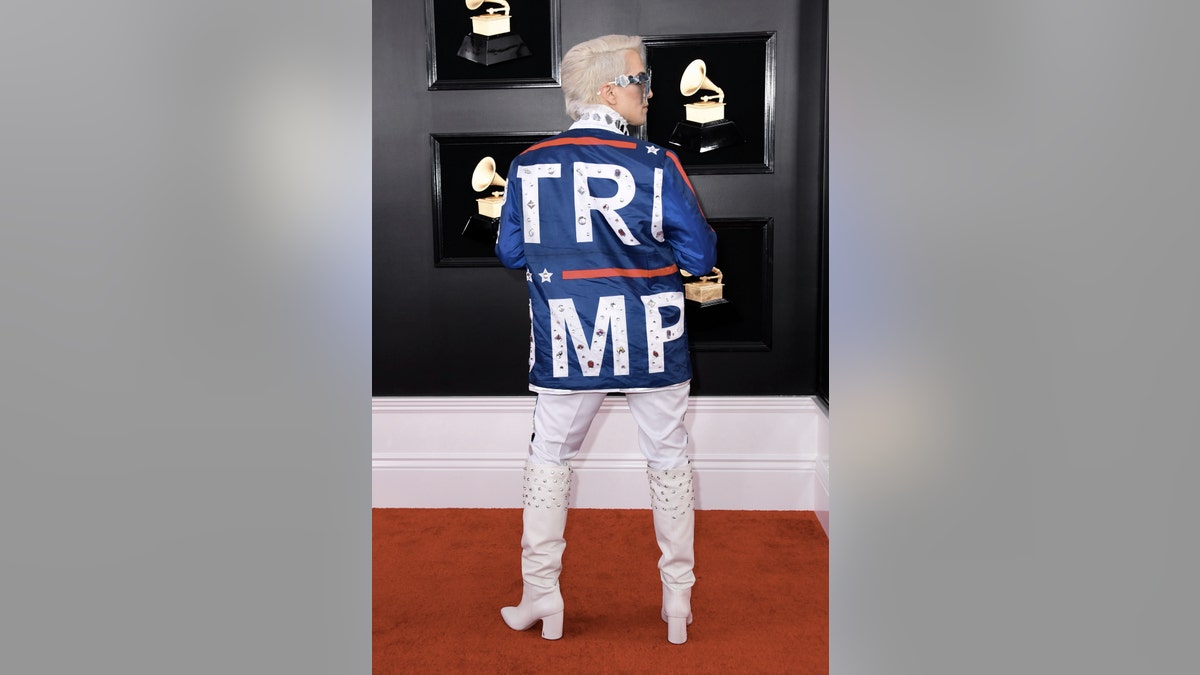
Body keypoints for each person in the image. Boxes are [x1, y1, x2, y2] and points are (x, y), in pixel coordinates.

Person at [494, 34, 718, 645]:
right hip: (653, 336)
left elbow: (511, 249)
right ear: (608, 90)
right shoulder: (657, 164)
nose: (649, 90)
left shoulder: (529, 164)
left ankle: (541, 596)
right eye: (641, 79)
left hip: (568, 339)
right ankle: (678, 603)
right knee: (668, 458)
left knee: (549, 461)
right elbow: (700, 256)